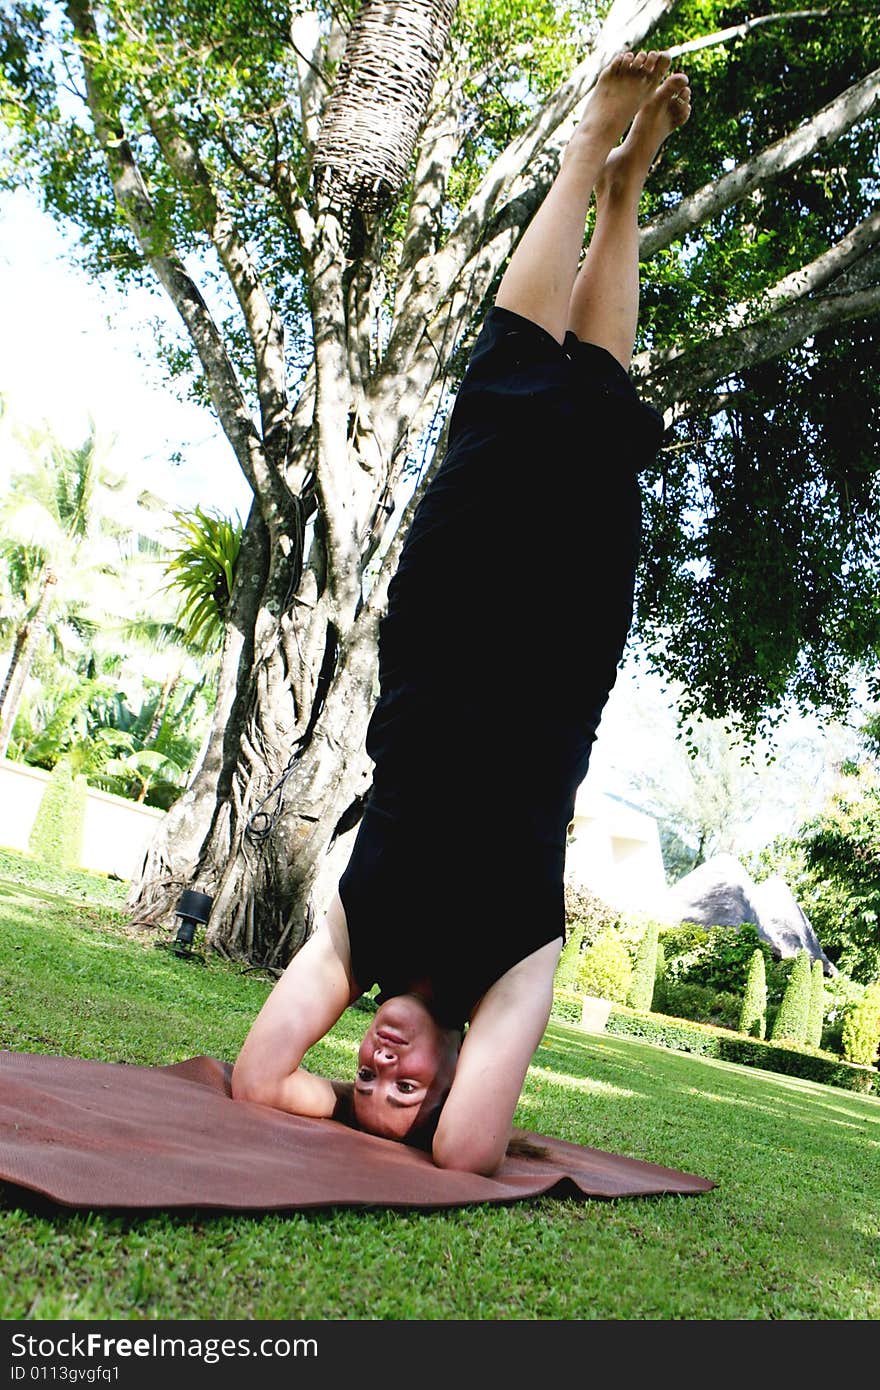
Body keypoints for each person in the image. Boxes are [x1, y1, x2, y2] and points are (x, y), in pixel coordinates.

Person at [232, 50, 692, 1175]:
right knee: (589, 410)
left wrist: (336, 1108)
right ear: (451, 1076)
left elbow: (257, 1079)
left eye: (366, 1081)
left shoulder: (355, 938)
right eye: (410, 1089)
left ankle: (586, 145)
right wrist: (426, 1129)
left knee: (504, 387)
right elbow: (474, 1149)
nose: (383, 1067)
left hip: (443, 623)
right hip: (560, 653)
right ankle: (625, 190)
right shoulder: (513, 963)